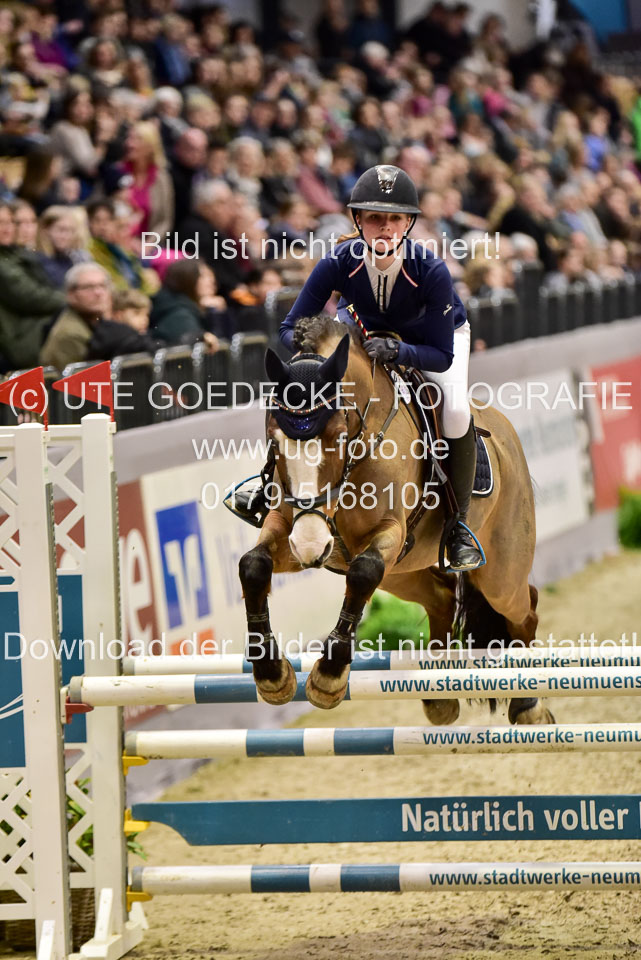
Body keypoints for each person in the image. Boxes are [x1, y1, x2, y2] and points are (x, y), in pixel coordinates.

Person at [247, 164, 482, 570]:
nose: (385, 227)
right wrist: (313, 361)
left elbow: (441, 355)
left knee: (457, 410)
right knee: (298, 399)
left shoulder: (430, 270)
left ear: (408, 223)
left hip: (431, 342)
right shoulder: (340, 261)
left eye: (395, 218)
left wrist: (398, 352)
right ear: (358, 220)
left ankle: (458, 525)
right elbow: (289, 328)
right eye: (374, 218)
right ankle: (265, 487)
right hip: (363, 340)